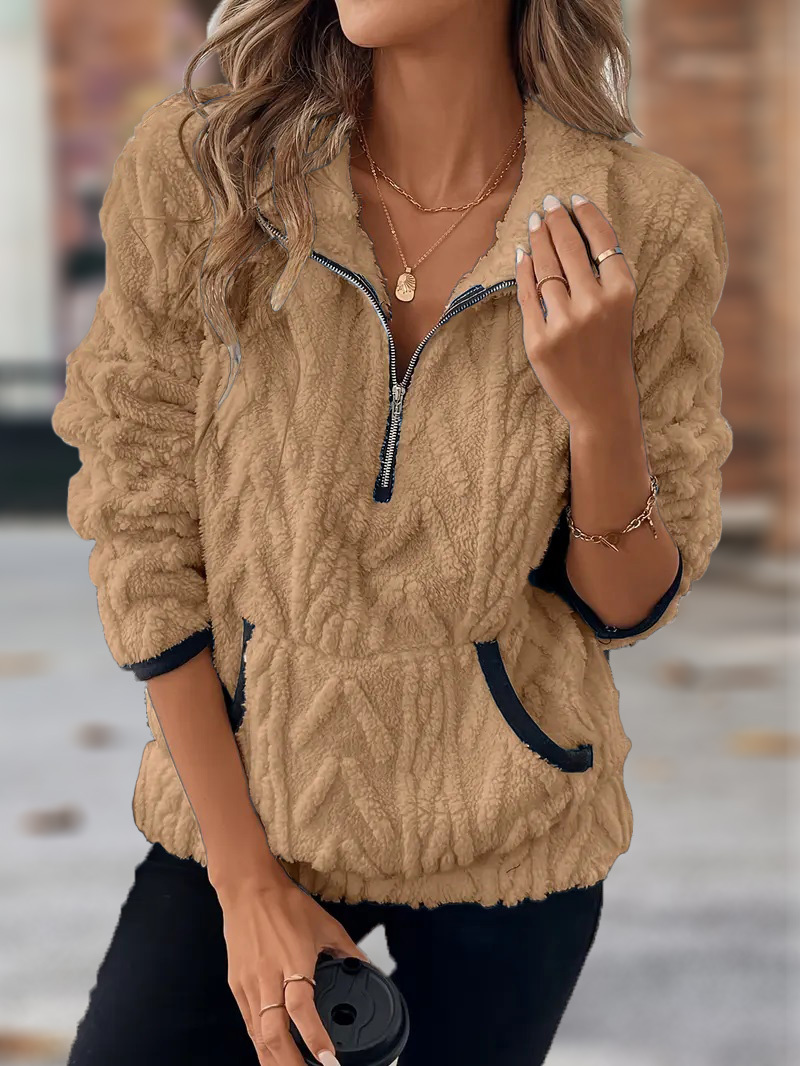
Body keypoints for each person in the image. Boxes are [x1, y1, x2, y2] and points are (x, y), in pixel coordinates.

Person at [50, 1, 733, 1064]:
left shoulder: (645, 218)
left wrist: (601, 414)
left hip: (509, 837)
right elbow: (139, 526)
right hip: (243, 814)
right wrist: (245, 885)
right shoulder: (205, 173)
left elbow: (627, 601)